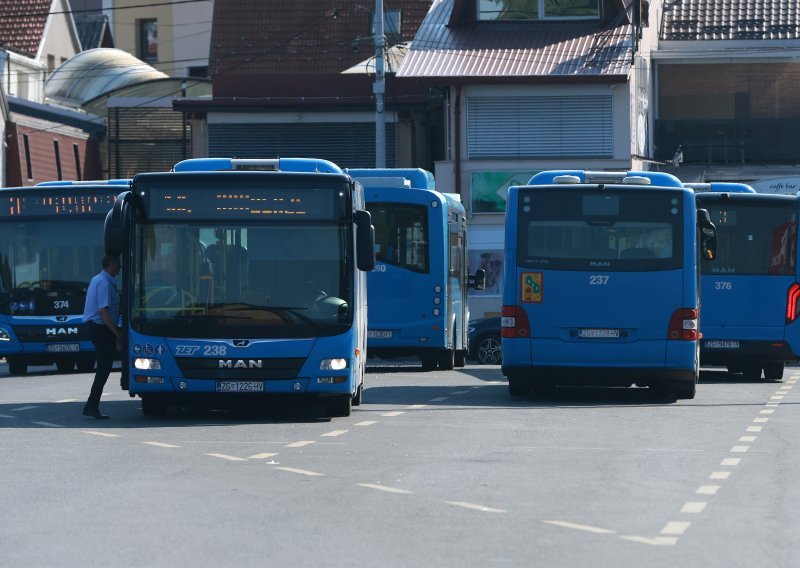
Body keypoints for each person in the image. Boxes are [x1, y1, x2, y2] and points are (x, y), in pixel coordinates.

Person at [81, 255, 121, 419]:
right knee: (104, 367)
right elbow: (103, 311)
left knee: (105, 366)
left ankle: (92, 405)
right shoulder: (104, 283)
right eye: (118, 264)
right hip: (100, 328)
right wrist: (116, 332)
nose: (120, 268)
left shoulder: (98, 279)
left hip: (98, 327)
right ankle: (91, 406)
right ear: (111, 264)